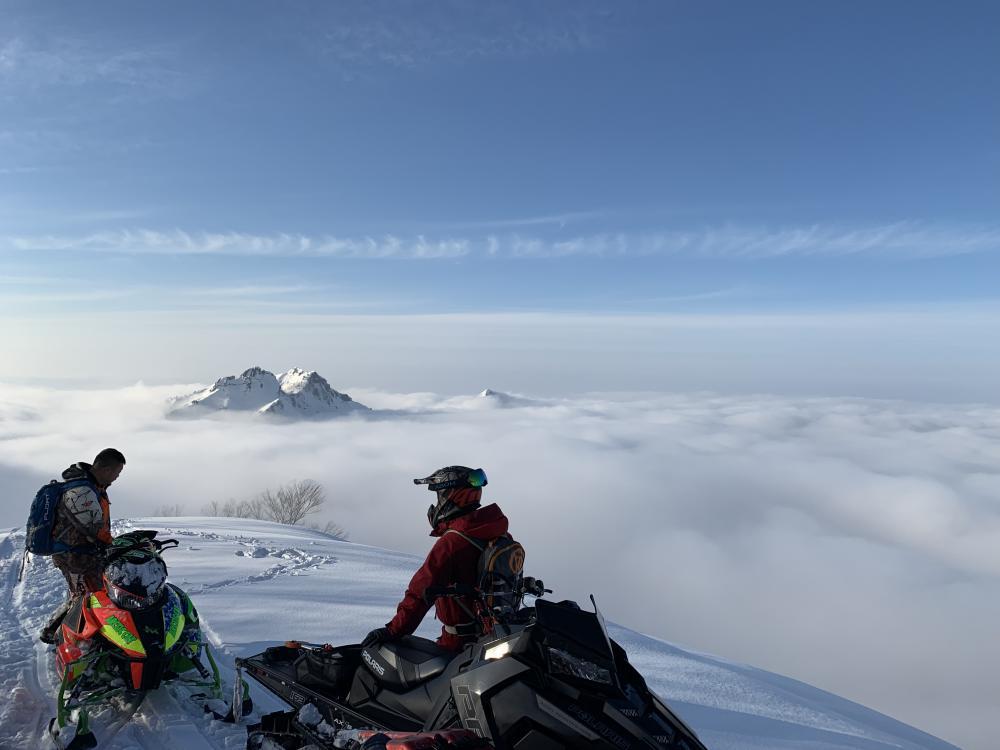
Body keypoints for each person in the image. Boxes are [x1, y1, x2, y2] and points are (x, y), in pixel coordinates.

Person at [362, 466, 511, 652]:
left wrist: (392, 631)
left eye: (439, 495)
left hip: (460, 646)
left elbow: (419, 592)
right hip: (495, 637)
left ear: (450, 496)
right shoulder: (499, 533)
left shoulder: (453, 542)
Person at [39, 448, 126, 644]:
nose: (116, 478)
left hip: (83, 554)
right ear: (105, 469)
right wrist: (116, 546)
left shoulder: (92, 486)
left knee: (87, 595)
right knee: (86, 597)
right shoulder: (81, 491)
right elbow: (93, 528)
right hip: (74, 556)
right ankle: (62, 634)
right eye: (116, 473)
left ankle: (63, 630)